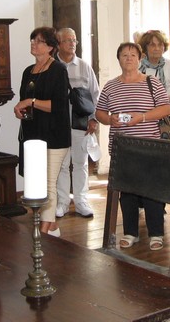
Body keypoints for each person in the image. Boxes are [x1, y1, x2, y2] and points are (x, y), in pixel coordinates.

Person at [95, 42, 170, 250]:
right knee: (127, 192)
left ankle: (156, 233)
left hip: (149, 147)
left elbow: (166, 108)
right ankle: (130, 232)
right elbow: (99, 112)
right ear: (118, 59)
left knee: (151, 191)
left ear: (140, 59)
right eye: (124, 55)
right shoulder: (111, 86)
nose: (128, 58)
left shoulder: (151, 82)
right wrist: (110, 119)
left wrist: (142, 117)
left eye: (132, 55)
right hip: (122, 149)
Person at [14, 27, 71, 237]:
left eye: (38, 41)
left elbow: (58, 106)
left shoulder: (58, 70)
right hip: (32, 134)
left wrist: (31, 102)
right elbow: (24, 100)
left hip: (54, 134)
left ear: (50, 47)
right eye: (32, 40)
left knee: (48, 183)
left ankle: (44, 232)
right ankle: (52, 227)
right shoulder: (28, 71)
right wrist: (20, 109)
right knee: (36, 182)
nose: (33, 44)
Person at [54, 28, 100, 219]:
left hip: (80, 122)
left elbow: (95, 94)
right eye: (68, 40)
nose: (72, 43)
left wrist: (94, 119)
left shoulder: (83, 66)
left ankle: (81, 201)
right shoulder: (51, 66)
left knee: (80, 163)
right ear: (58, 44)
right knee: (62, 164)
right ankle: (63, 202)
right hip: (58, 124)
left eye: (74, 40)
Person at [137, 30, 170, 106]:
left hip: (165, 109)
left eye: (160, 45)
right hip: (141, 109)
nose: (157, 48)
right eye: (152, 45)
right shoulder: (137, 65)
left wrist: (162, 103)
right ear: (145, 47)